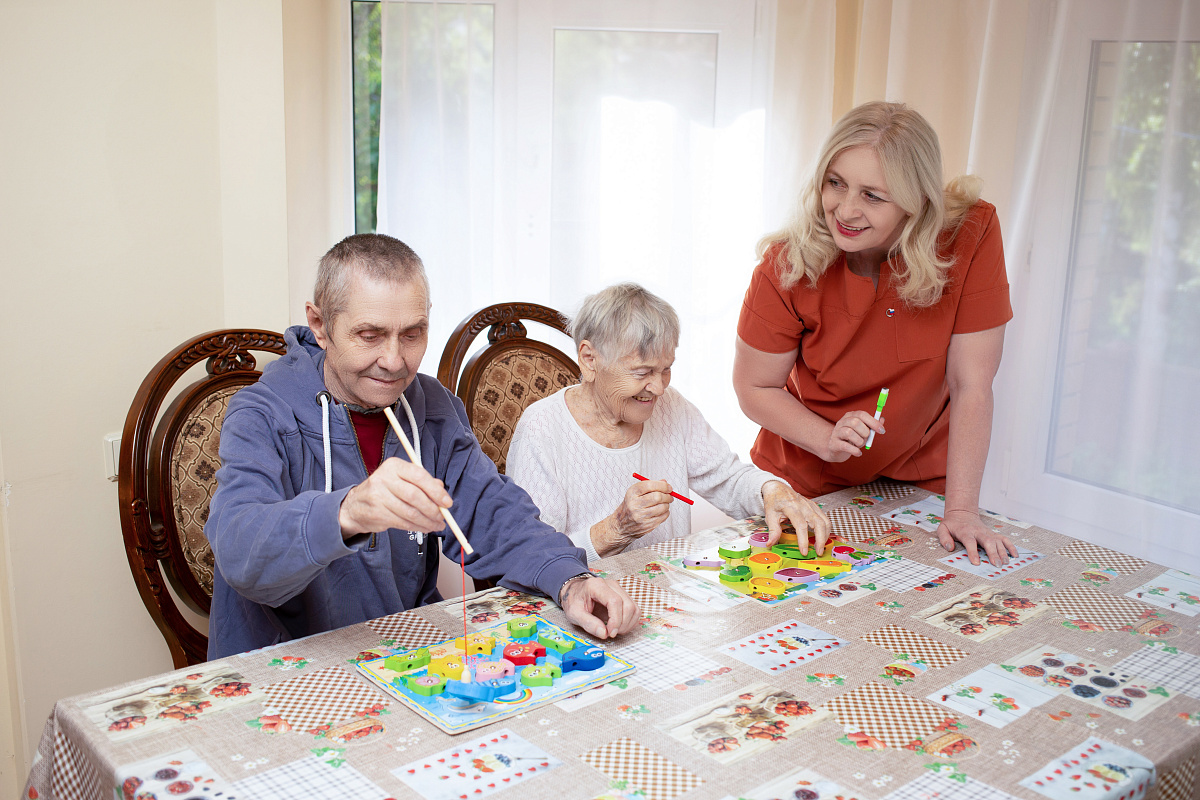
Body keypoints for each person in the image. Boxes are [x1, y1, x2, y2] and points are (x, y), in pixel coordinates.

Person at [205, 234, 639, 659]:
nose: (395, 361)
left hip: (402, 657)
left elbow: (495, 515)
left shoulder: (432, 407)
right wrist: (348, 512)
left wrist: (571, 580)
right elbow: (241, 550)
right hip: (286, 670)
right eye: (370, 335)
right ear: (320, 325)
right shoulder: (261, 412)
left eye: (412, 334)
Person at [732, 101, 1017, 567]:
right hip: (807, 483)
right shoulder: (785, 264)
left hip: (919, 479)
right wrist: (826, 438)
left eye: (872, 195)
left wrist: (963, 510)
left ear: (917, 200)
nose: (844, 210)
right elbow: (753, 387)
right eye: (836, 183)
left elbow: (972, 385)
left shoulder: (971, 234)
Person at [507, 283, 829, 562]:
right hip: (577, 614)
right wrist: (615, 529)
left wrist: (771, 490)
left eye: (666, 369)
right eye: (642, 372)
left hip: (667, 601)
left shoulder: (670, 406)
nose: (659, 388)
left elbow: (727, 478)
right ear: (590, 359)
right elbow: (531, 557)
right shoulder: (543, 429)